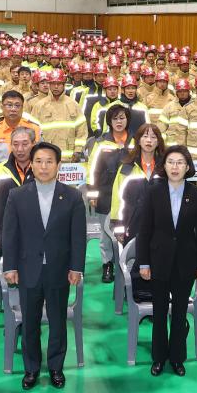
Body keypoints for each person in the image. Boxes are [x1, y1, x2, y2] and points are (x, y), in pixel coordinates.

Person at [1, 142, 86, 390]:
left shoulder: (72, 196)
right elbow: (10, 235)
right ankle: (31, 369)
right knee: (30, 322)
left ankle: (56, 367)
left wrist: (76, 267)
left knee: (59, 321)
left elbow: (77, 237)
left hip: (59, 270)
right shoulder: (17, 196)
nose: (44, 166)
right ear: (32, 164)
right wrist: (10, 266)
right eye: (38, 161)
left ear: (58, 165)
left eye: (49, 161)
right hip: (28, 269)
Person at [136, 145, 197, 377]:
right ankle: (158, 358)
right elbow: (144, 231)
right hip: (158, 262)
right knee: (159, 313)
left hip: (186, 263)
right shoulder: (153, 192)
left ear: (187, 167)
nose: (175, 167)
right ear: (164, 166)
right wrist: (143, 263)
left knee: (179, 313)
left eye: (180, 162)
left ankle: (177, 358)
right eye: (171, 162)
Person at [87, 104, 131, 282]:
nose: (119, 122)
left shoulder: (135, 141)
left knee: (128, 229)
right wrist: (92, 194)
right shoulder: (101, 143)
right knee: (106, 233)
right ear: (109, 122)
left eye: (122, 118)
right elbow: (92, 170)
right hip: (105, 194)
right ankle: (108, 265)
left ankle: (127, 261)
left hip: (128, 195)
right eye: (115, 118)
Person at [0, 126, 36, 252]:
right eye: (15, 144)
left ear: (33, 144)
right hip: (6, 235)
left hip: (37, 235)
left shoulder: (41, 170)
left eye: (25, 144)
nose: (20, 149)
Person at [109, 123, 165, 244]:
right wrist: (119, 227)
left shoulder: (165, 169)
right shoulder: (126, 168)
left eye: (153, 137)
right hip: (133, 226)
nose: (149, 140)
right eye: (145, 136)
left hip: (161, 227)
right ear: (138, 141)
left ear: (158, 142)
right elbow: (118, 199)